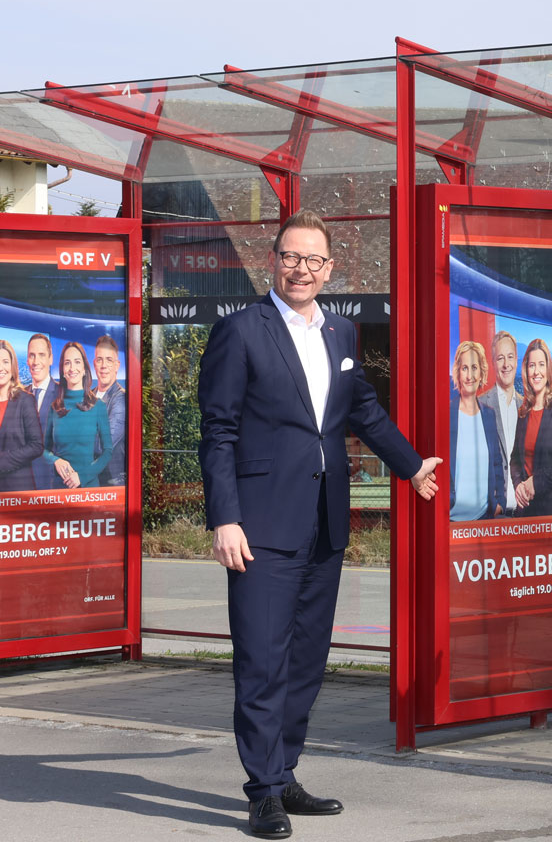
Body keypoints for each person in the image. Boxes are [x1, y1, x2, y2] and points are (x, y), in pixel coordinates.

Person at [198, 209, 442, 839]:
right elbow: (218, 432)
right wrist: (224, 517)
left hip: (324, 525)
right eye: (290, 257)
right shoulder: (241, 332)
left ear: (330, 269)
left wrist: (412, 468)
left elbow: (364, 412)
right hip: (258, 527)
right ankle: (262, 793)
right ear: (271, 260)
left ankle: (284, 774)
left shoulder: (341, 334)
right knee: (261, 661)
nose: (301, 269)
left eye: (313, 260)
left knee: (306, 662)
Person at [509, 337, 552, 516]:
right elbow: (515, 458)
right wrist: (518, 486)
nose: (536, 371)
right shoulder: (523, 411)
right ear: (526, 369)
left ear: (547, 369)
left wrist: (535, 482)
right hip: (526, 511)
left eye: (541, 364)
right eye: (532, 365)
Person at [0, 340, 45, 493]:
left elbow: (36, 446)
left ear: (12, 367)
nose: (0, 368)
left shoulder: (26, 400)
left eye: (5, 362)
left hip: (17, 489)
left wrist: (0, 463)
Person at [448, 340, 506, 521]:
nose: (469, 375)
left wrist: (500, 503)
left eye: (474, 367)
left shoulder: (488, 414)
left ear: (481, 372)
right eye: (464, 368)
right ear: (457, 372)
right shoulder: (446, 414)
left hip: (483, 518)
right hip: (449, 520)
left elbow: (497, 462)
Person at [42, 342, 114, 489]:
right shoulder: (55, 407)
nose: (72, 368)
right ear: (62, 370)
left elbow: (108, 451)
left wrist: (82, 476)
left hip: (88, 488)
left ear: (84, 369)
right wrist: (55, 460)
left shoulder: (98, 406)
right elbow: (42, 449)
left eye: (77, 362)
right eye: (67, 363)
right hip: (59, 490)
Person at [480, 330, 520, 514]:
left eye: (510, 357)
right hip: (494, 516)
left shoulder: (527, 406)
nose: (506, 364)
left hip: (526, 515)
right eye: (500, 358)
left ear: (517, 360)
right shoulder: (480, 405)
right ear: (493, 363)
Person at [25, 333, 59, 490]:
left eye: (41, 355)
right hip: (21, 486)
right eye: (32, 355)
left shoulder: (63, 394)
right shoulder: (18, 396)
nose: (36, 361)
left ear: (51, 359)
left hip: (52, 485)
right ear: (27, 360)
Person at [93, 335, 127, 486]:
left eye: (109, 360)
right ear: (94, 364)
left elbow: (104, 445)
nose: (103, 365)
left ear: (117, 365)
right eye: (99, 359)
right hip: (90, 482)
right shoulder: (88, 396)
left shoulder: (120, 398)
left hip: (111, 483)